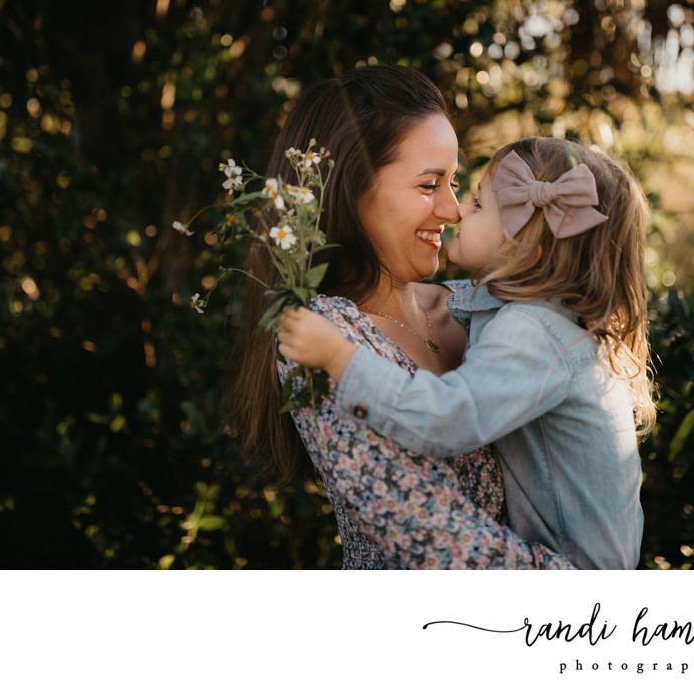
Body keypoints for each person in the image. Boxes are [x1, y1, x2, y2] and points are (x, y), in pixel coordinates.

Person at [228, 64, 572, 569]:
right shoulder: (323, 342)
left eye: (456, 183)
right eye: (430, 184)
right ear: (352, 188)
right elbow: (444, 549)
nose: (454, 210)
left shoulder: (482, 304)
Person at [278, 136, 655, 569]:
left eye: (476, 204)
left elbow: (446, 418)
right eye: (430, 186)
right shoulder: (548, 321)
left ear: (525, 252)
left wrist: (340, 359)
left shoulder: (529, 330)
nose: (458, 211)